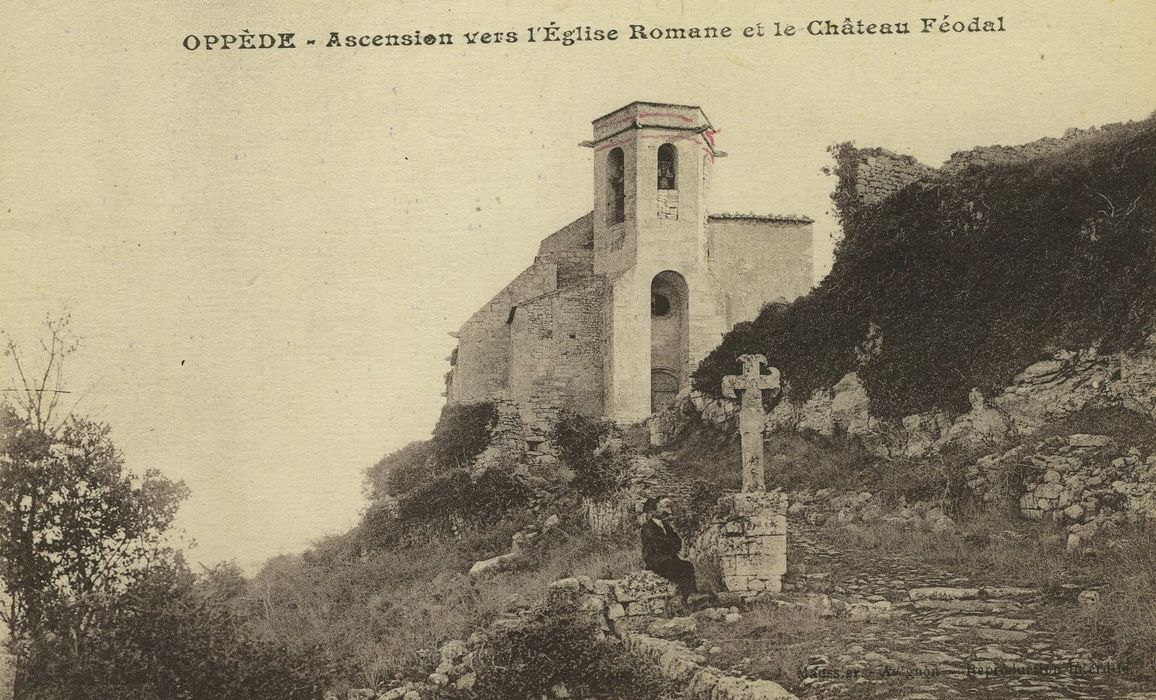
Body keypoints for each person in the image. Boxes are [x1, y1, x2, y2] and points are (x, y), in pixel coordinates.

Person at [640, 496, 698, 598]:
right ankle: (688, 597)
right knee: (684, 568)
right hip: (657, 562)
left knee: (688, 566)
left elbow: (678, 542)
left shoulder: (666, 526)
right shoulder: (647, 528)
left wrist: (670, 545)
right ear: (653, 512)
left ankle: (690, 596)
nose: (664, 510)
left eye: (663, 507)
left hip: (669, 559)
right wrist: (670, 545)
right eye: (660, 507)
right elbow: (657, 546)